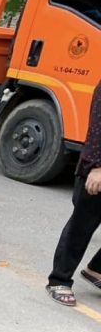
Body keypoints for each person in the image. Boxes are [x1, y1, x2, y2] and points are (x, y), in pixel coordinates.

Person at [46, 82, 101, 306]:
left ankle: (96, 269)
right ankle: (59, 280)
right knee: (81, 226)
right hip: (97, 170)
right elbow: (98, 127)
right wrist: (97, 167)